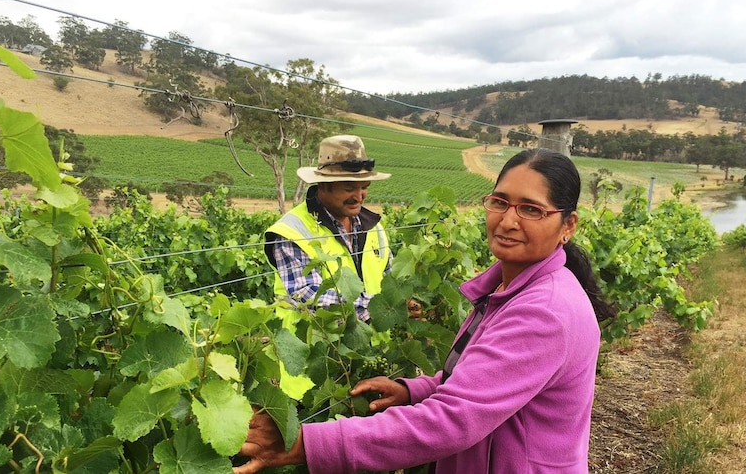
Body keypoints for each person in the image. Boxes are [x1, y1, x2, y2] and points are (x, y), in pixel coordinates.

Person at [238, 148, 616, 474]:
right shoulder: (509, 288)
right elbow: (480, 383)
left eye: (531, 210)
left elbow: (453, 420)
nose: (507, 220)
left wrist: (305, 443)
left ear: (567, 225)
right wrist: (415, 390)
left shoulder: (543, 311)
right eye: (500, 202)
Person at [264, 135, 393, 323]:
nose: (359, 196)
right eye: (349, 188)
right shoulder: (291, 232)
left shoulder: (374, 227)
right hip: (318, 347)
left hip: (377, 349)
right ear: (324, 185)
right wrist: (378, 308)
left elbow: (390, 277)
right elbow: (310, 298)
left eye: (364, 187)